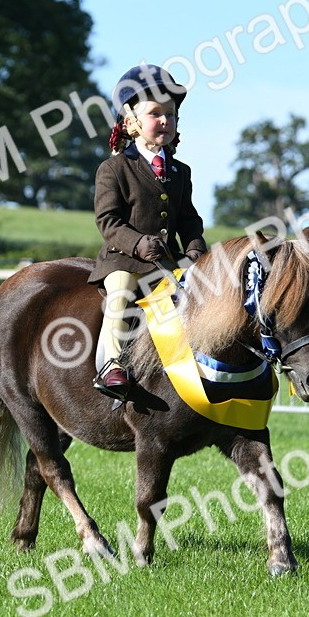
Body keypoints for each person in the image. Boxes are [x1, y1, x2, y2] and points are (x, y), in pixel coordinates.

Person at [88, 64, 208, 400]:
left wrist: (196, 249)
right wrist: (138, 243)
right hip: (123, 262)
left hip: (168, 264)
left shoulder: (181, 171)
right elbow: (108, 221)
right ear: (132, 123)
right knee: (122, 292)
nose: (166, 121)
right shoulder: (113, 168)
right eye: (156, 114)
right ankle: (111, 364)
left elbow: (188, 218)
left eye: (171, 114)